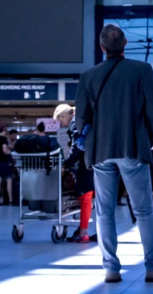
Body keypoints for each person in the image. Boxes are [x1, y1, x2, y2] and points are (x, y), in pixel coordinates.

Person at [76, 24, 153, 284]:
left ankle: (111, 269)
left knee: (104, 211)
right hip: (133, 148)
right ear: (126, 43)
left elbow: (80, 120)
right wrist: (144, 140)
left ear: (101, 47)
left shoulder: (88, 76)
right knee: (144, 211)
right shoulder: (141, 70)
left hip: (100, 152)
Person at [53, 104, 94, 243]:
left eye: (60, 121)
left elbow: (78, 145)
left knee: (85, 196)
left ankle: (83, 232)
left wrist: (67, 162)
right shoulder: (83, 119)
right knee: (90, 197)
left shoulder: (75, 123)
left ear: (63, 116)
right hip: (95, 160)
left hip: (87, 162)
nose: (61, 124)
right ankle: (86, 229)